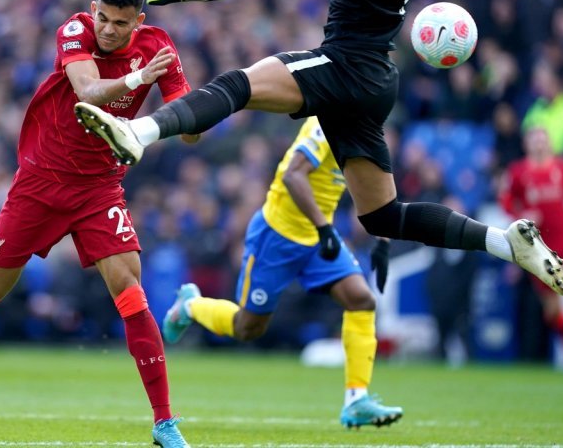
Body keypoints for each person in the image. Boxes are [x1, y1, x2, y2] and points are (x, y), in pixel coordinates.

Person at [74, 0, 563, 299]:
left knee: (238, 84)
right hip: (375, 79)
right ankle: (504, 243)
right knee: (382, 215)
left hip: (343, 65)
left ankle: (139, 131)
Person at [0, 0, 197, 447]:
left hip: (99, 187)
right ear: (94, 10)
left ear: (140, 20)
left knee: (130, 289)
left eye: (121, 23)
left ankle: (164, 421)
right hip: (43, 181)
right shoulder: (74, 31)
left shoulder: (159, 48)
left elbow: (190, 125)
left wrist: (191, 106)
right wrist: (139, 79)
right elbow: (90, 92)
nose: (110, 30)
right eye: (104, 19)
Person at [162, 116, 401, 428]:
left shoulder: (365, 129)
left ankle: (356, 399)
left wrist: (382, 241)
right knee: (248, 327)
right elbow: (292, 176)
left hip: (316, 237)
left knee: (361, 300)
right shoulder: (327, 121)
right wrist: (324, 227)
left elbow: (371, 184)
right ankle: (191, 306)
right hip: (277, 236)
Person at [499, 126, 563, 377]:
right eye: (534, 140)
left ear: (549, 144)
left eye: (542, 140)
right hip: (539, 247)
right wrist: (521, 215)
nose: (539, 145)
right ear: (527, 144)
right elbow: (506, 202)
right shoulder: (518, 172)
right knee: (553, 307)